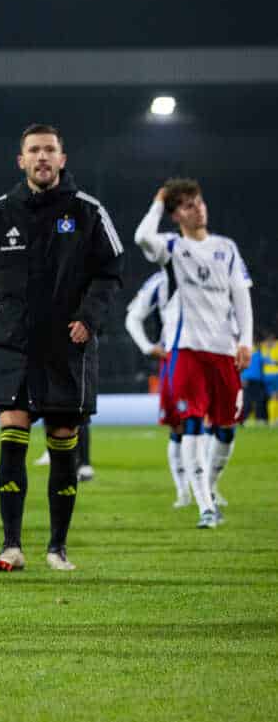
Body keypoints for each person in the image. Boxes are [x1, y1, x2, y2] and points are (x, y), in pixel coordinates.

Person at [0, 123, 122, 572]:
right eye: (34, 150)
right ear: (21, 160)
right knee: (12, 434)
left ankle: (57, 548)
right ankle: (11, 546)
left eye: (50, 150)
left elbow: (110, 272)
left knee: (63, 439)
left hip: (67, 347)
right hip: (13, 345)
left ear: (62, 159)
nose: (42, 157)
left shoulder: (87, 211)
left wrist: (89, 318)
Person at [133, 178, 252, 528]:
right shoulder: (172, 247)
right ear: (175, 216)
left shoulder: (226, 248)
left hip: (223, 350)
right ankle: (204, 505)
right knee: (192, 423)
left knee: (227, 427)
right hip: (186, 351)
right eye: (187, 205)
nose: (197, 209)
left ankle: (210, 488)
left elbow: (241, 296)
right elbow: (142, 237)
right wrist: (158, 202)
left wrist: (245, 340)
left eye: (199, 202)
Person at [125, 270, 193, 505]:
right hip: (175, 356)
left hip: (208, 354)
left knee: (208, 424)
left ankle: (208, 490)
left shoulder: (213, 269)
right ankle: (183, 492)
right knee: (178, 425)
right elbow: (132, 317)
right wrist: (147, 346)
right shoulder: (160, 281)